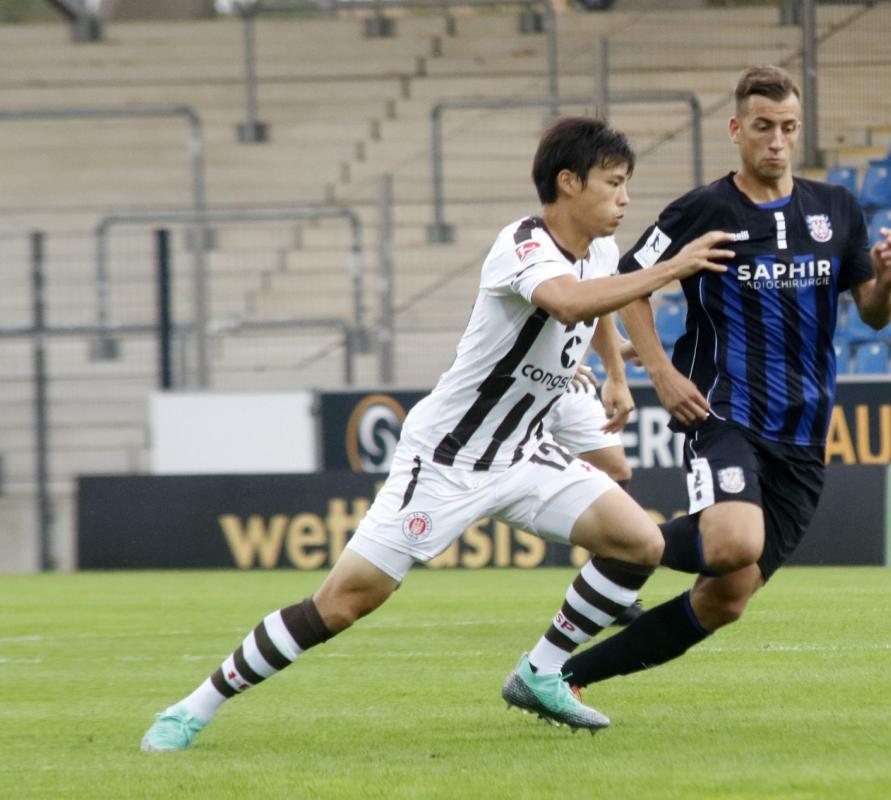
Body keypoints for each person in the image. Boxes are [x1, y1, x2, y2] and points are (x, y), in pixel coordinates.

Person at [140, 117, 735, 751]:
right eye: (612, 184)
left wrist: (616, 368)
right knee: (344, 603)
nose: (624, 199)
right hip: (449, 458)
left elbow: (597, 304)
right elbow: (566, 302)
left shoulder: (600, 251)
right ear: (568, 183)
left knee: (638, 542)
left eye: (626, 185)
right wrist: (671, 268)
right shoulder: (522, 244)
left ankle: (541, 670)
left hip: (524, 450)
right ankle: (193, 707)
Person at [559, 66, 891, 691]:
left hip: (804, 435)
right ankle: (627, 546)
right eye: (763, 127)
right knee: (731, 543)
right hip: (722, 412)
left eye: (789, 128)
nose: (777, 140)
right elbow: (627, 286)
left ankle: (566, 676)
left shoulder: (837, 209)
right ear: (736, 129)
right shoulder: (705, 209)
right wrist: (662, 373)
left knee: (726, 598)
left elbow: (876, 317)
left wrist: (887, 281)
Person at [548, 364, 645, 625]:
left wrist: (616, 354)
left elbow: (597, 323)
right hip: (516, 385)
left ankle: (611, 593)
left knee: (616, 468)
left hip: (567, 386)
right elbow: (563, 319)